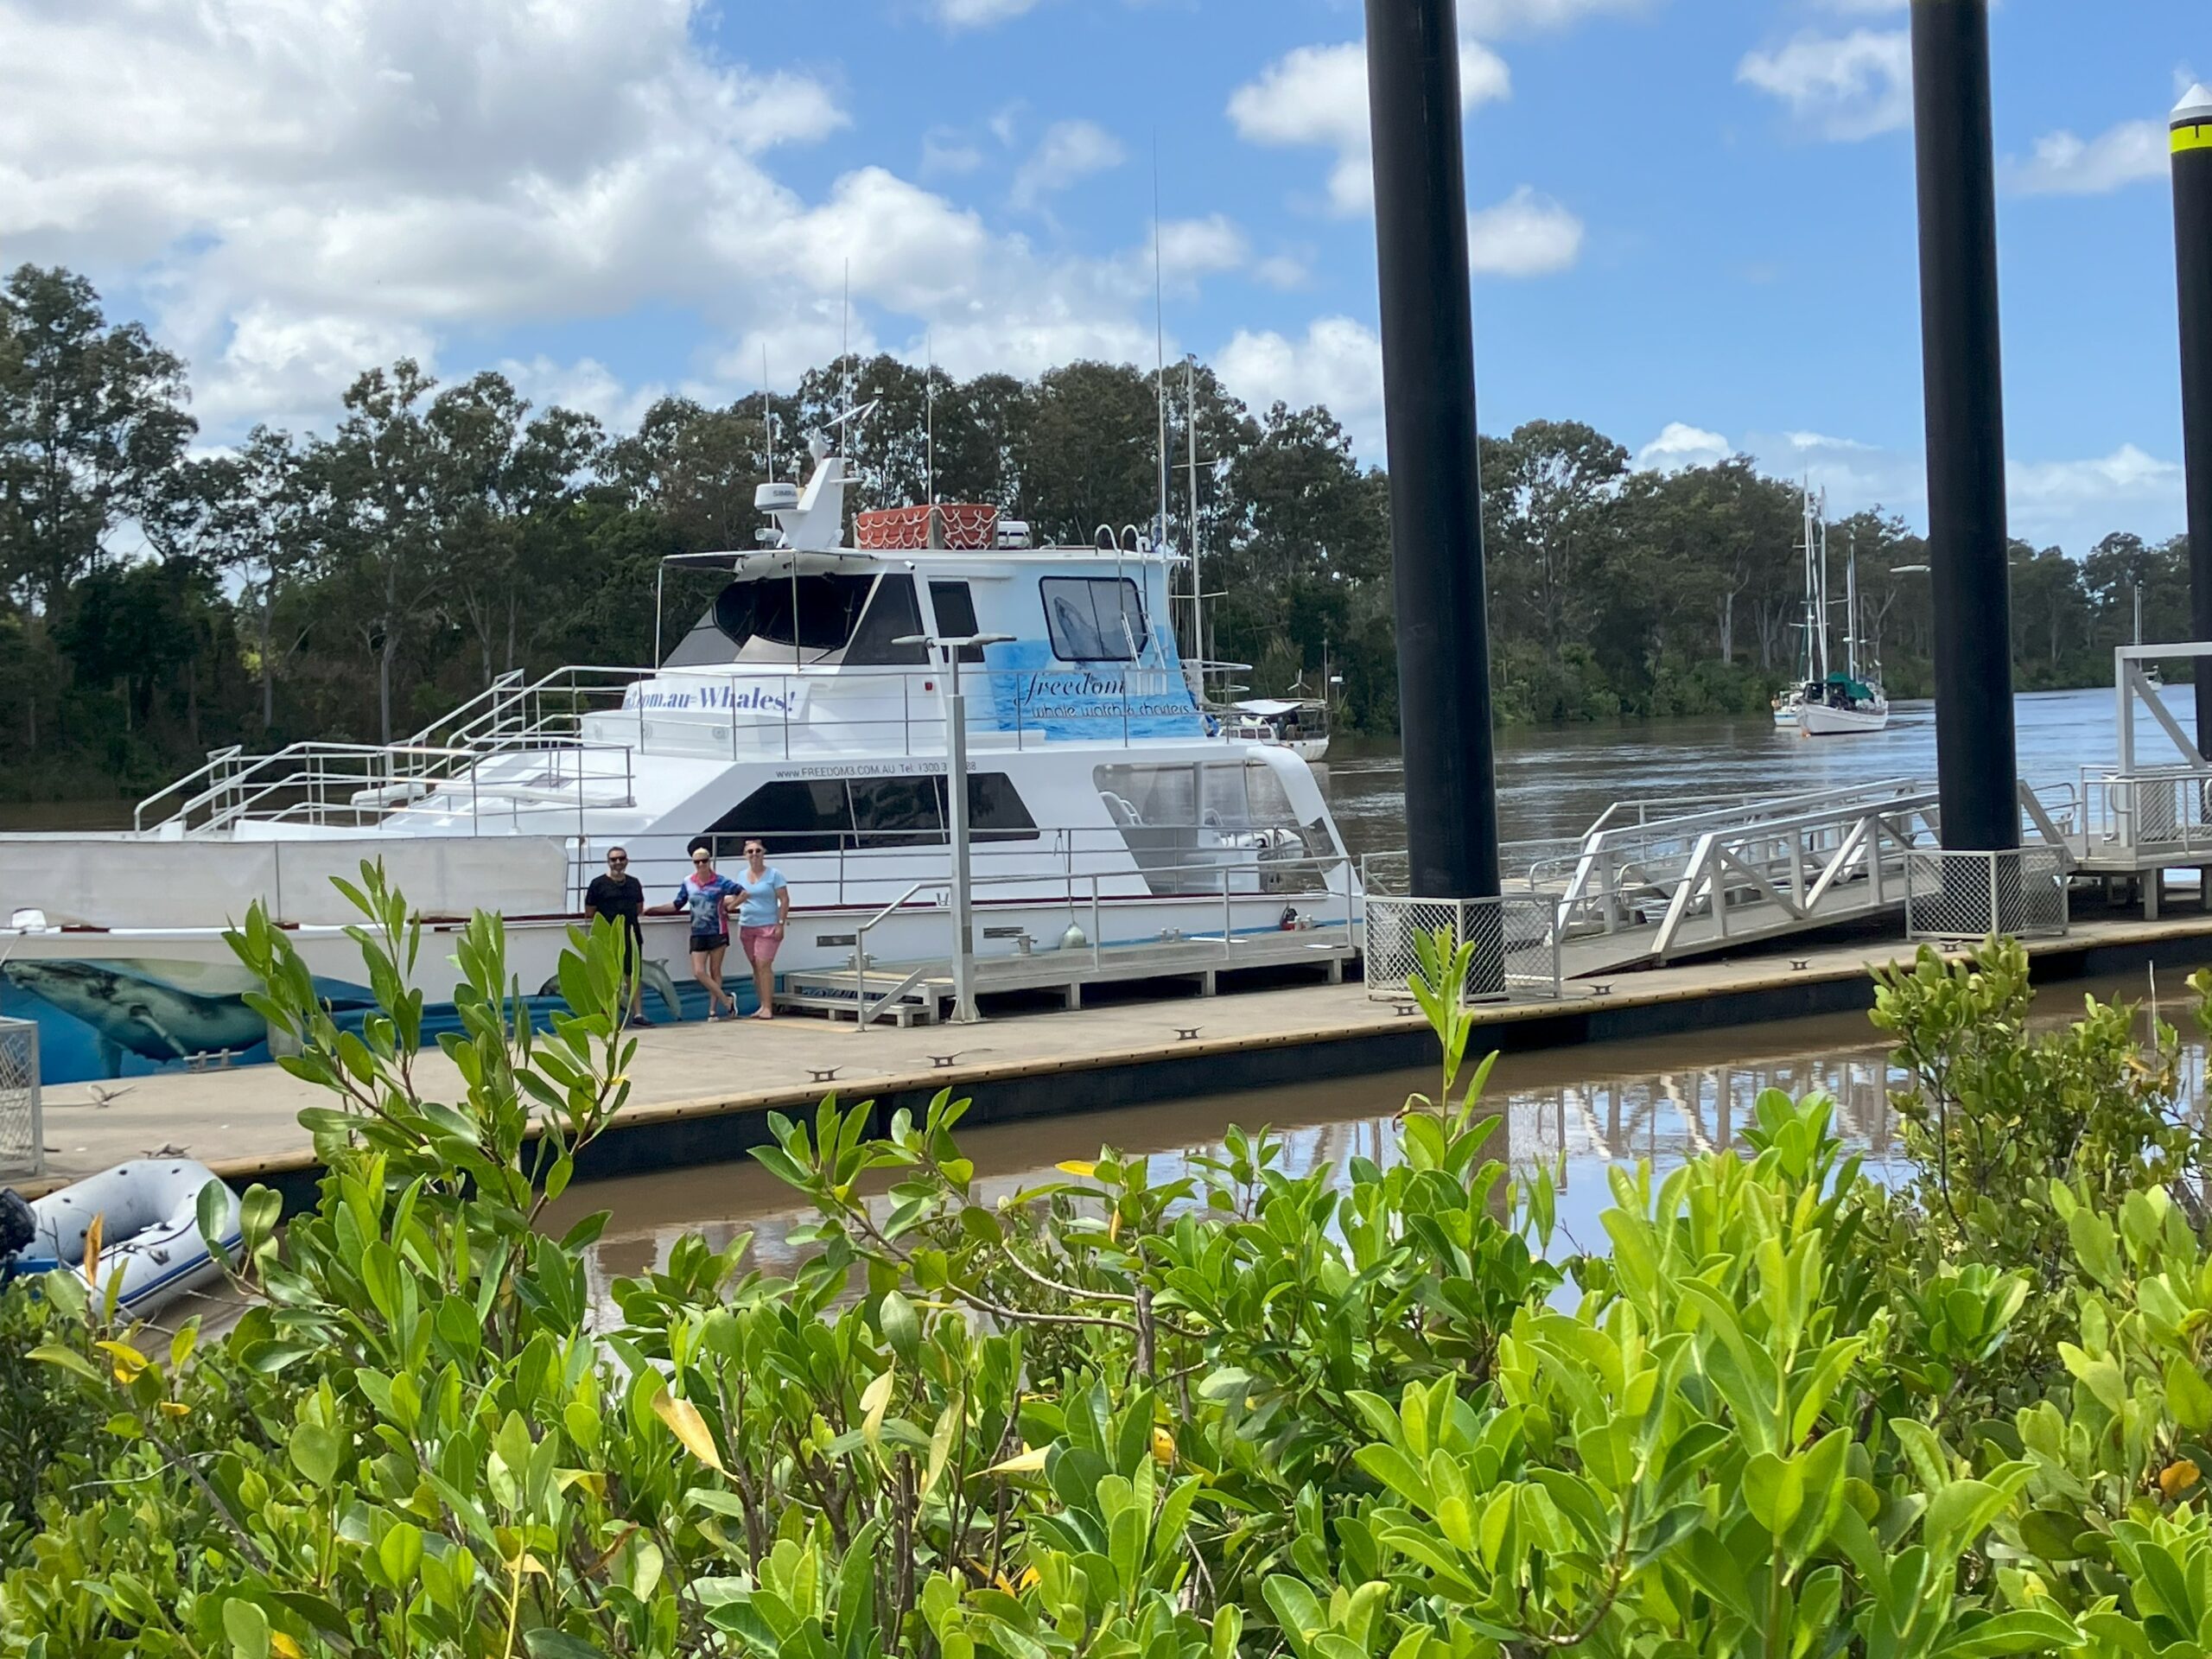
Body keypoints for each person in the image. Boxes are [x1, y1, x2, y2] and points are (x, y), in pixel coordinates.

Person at [649, 842, 742, 1021]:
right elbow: (678, 904)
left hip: (718, 931)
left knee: (716, 971)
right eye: (697, 862)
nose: (701, 865)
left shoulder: (721, 881)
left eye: (704, 861)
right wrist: (654, 909)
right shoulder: (688, 882)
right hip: (698, 932)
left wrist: (729, 908)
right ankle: (726, 1000)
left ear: (709, 862)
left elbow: (743, 893)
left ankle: (713, 1011)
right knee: (699, 972)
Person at [584, 847, 650, 1026]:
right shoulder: (597, 884)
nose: (618, 862)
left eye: (621, 858)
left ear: (627, 860)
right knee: (606, 976)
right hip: (607, 937)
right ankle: (606, 1015)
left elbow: (639, 907)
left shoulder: (634, 883)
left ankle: (638, 1014)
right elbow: (590, 912)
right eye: (614, 859)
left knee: (633, 974)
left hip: (631, 935)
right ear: (608, 862)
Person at [732, 838, 792, 1021]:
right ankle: (762, 1004)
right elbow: (739, 897)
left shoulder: (774, 875)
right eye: (750, 852)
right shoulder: (742, 875)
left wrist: (780, 923)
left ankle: (768, 1006)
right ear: (745, 855)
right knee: (756, 967)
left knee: (764, 965)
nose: (754, 854)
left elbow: (784, 899)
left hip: (768, 925)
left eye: (758, 851)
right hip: (747, 924)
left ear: (763, 853)